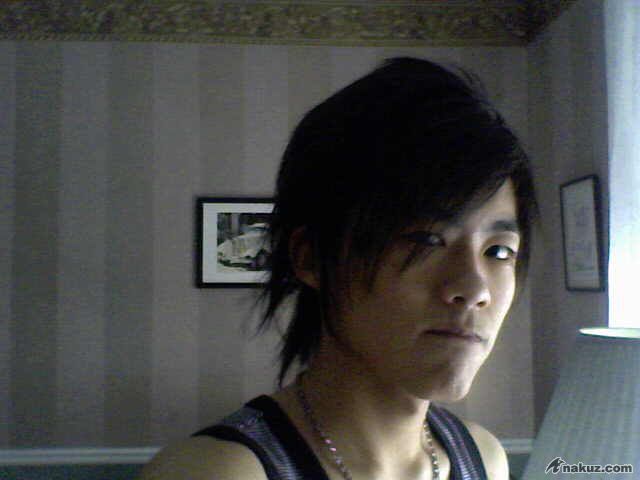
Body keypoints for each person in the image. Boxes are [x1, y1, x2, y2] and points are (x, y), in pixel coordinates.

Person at [140, 56, 538, 480]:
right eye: (425, 239)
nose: (475, 289)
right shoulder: (219, 472)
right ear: (312, 257)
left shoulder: (483, 458)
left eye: (499, 252)